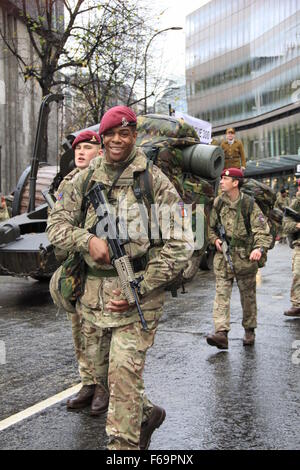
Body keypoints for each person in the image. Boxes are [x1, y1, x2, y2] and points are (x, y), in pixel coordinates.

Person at [47, 105, 194, 450]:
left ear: (133, 136)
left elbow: (180, 245)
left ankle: (122, 448)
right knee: (105, 377)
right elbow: (55, 226)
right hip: (93, 296)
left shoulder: (154, 181)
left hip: (139, 292)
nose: (116, 140)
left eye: (124, 133)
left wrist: (141, 285)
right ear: (102, 137)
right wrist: (88, 241)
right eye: (110, 134)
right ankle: (146, 415)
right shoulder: (83, 179)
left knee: (124, 375)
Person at [50, 130, 108, 416]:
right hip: (76, 264)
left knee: (98, 329)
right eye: (78, 148)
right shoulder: (68, 182)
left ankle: (102, 385)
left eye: (88, 147)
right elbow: (57, 222)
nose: (81, 152)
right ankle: (87, 382)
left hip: (101, 266)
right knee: (78, 327)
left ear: (100, 150)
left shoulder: (106, 179)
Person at [206, 168, 272, 349]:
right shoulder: (218, 203)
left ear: (235, 183)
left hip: (245, 257)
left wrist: (259, 249)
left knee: (248, 297)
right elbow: (210, 228)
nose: (221, 182)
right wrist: (215, 240)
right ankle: (221, 333)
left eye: (225, 179)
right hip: (223, 257)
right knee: (221, 294)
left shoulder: (249, 204)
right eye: (221, 178)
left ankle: (249, 330)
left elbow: (262, 231)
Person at [283, 181, 300, 317]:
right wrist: (298, 226)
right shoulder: (295, 204)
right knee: (298, 274)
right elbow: (286, 225)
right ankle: (297, 304)